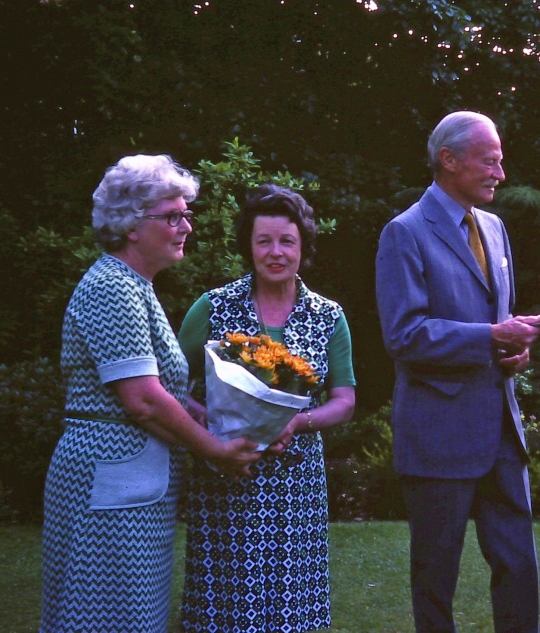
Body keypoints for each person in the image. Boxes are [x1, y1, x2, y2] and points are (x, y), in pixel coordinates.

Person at [40, 154, 262, 633]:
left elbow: (163, 393)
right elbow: (142, 399)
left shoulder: (136, 288)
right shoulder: (111, 289)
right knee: (104, 618)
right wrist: (216, 449)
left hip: (133, 489)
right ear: (130, 225)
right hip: (109, 489)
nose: (185, 225)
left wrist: (225, 420)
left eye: (186, 214)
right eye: (172, 216)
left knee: (133, 618)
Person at [375, 110, 540, 633]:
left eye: (501, 161)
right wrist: (491, 339)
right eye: (489, 161)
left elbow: (496, 322)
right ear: (448, 160)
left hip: (500, 430)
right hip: (438, 434)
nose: (500, 173)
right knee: (435, 578)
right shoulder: (403, 233)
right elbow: (404, 335)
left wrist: (516, 351)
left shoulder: (493, 227)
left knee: (519, 566)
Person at [178, 184, 357, 633]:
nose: (276, 252)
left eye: (287, 241)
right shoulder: (214, 307)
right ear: (249, 246)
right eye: (264, 241)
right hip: (225, 479)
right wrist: (209, 422)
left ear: (303, 246)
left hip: (296, 486)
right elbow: (169, 385)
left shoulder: (327, 316)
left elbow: (345, 400)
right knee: (226, 606)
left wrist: (297, 422)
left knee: (290, 607)